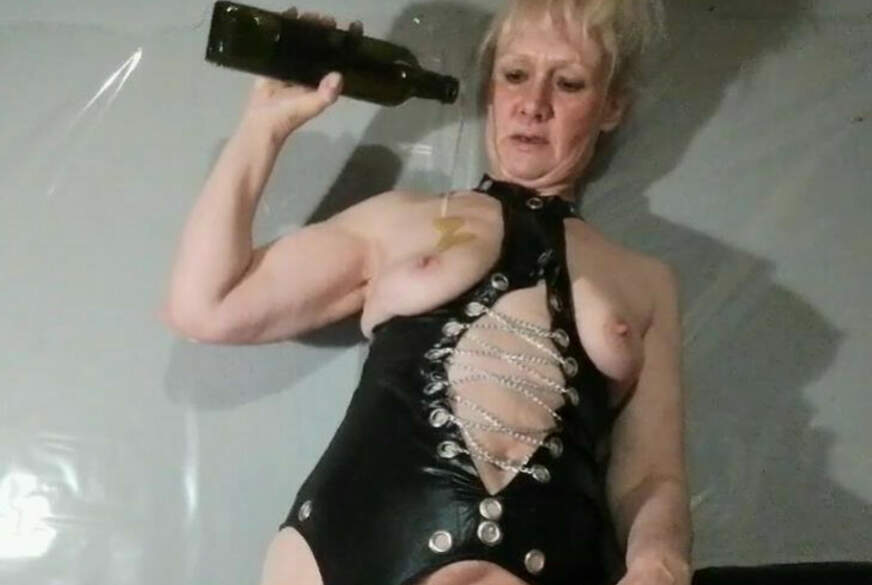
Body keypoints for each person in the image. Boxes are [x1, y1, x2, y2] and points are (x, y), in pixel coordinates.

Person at [162, 0, 691, 584]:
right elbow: (205, 304)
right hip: (345, 551)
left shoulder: (646, 281)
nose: (533, 103)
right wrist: (262, 128)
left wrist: (659, 562)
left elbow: (651, 475)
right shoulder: (400, 218)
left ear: (611, 105)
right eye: (515, 74)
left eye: (568, 83)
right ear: (489, 88)